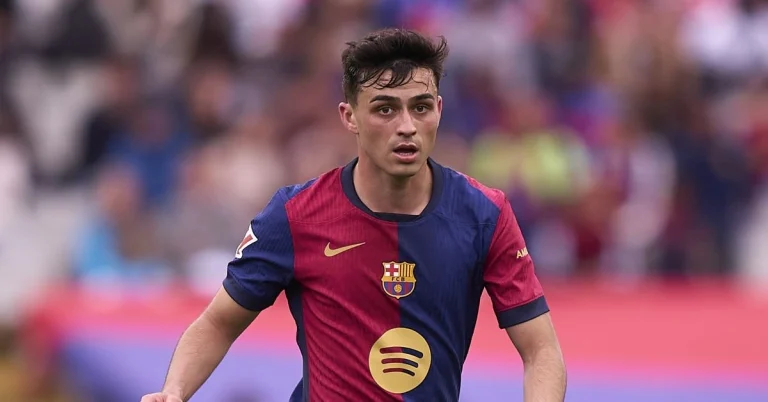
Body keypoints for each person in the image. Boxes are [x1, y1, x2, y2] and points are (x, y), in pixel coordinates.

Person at [141, 28, 566, 402]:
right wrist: (174, 390)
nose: (406, 125)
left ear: (438, 109)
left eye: (420, 107)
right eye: (385, 109)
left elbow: (541, 350)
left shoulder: (485, 215)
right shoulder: (295, 215)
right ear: (350, 117)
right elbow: (218, 323)